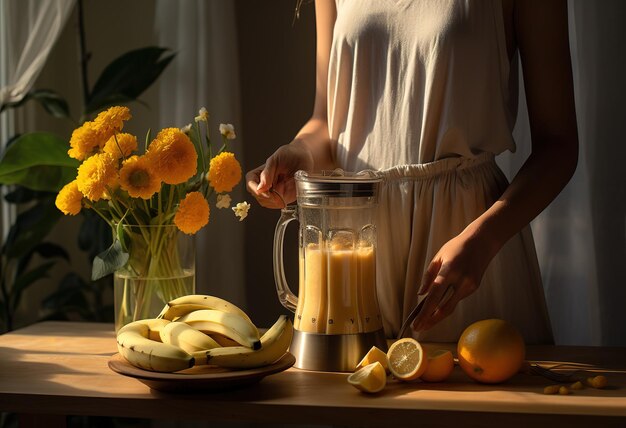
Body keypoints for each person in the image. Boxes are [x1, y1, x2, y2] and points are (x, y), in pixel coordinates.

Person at [246, 0, 578, 344]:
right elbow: (326, 121)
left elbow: (559, 145)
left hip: (463, 254)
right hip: (357, 243)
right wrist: (301, 153)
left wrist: (484, 240)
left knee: (478, 387)